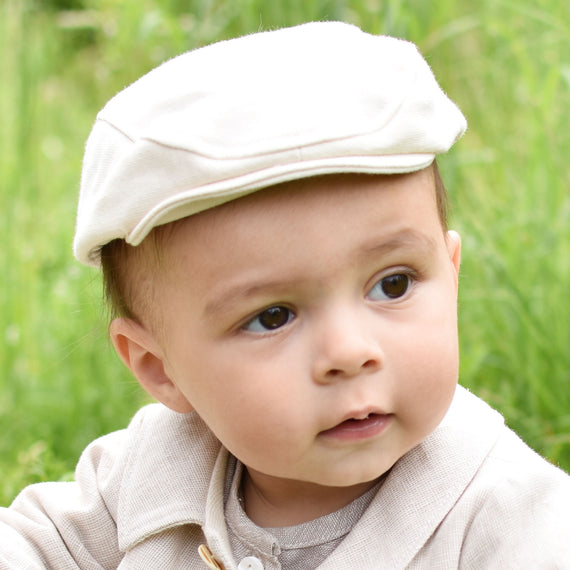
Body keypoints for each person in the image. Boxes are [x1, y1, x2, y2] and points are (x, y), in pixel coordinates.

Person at [1, 21, 569, 570]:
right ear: (159, 367)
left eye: (391, 284)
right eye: (273, 316)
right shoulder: (148, 474)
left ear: (450, 275)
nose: (349, 352)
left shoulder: (514, 525)